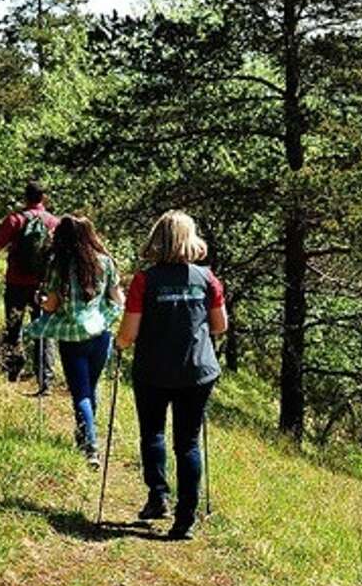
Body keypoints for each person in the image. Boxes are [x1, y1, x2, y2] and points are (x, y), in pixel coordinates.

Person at [115, 210, 227, 540]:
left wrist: (118, 344)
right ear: (190, 239)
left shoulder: (144, 280)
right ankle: (185, 519)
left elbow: (128, 334)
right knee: (188, 442)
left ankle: (158, 496)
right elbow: (220, 326)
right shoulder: (207, 279)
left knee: (153, 433)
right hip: (197, 371)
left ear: (157, 239)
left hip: (153, 370)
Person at [24, 215, 124, 467]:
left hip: (71, 336)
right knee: (91, 386)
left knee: (79, 391)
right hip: (100, 334)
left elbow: (52, 304)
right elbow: (117, 298)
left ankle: (90, 446)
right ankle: (84, 436)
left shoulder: (60, 264)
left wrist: (40, 301)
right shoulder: (105, 262)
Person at [0, 181, 59, 389]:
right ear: (44, 198)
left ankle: (12, 372)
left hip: (16, 283)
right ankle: (45, 379)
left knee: (13, 327)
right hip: (44, 285)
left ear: (25, 197)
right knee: (44, 330)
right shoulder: (54, 222)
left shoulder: (15, 219)